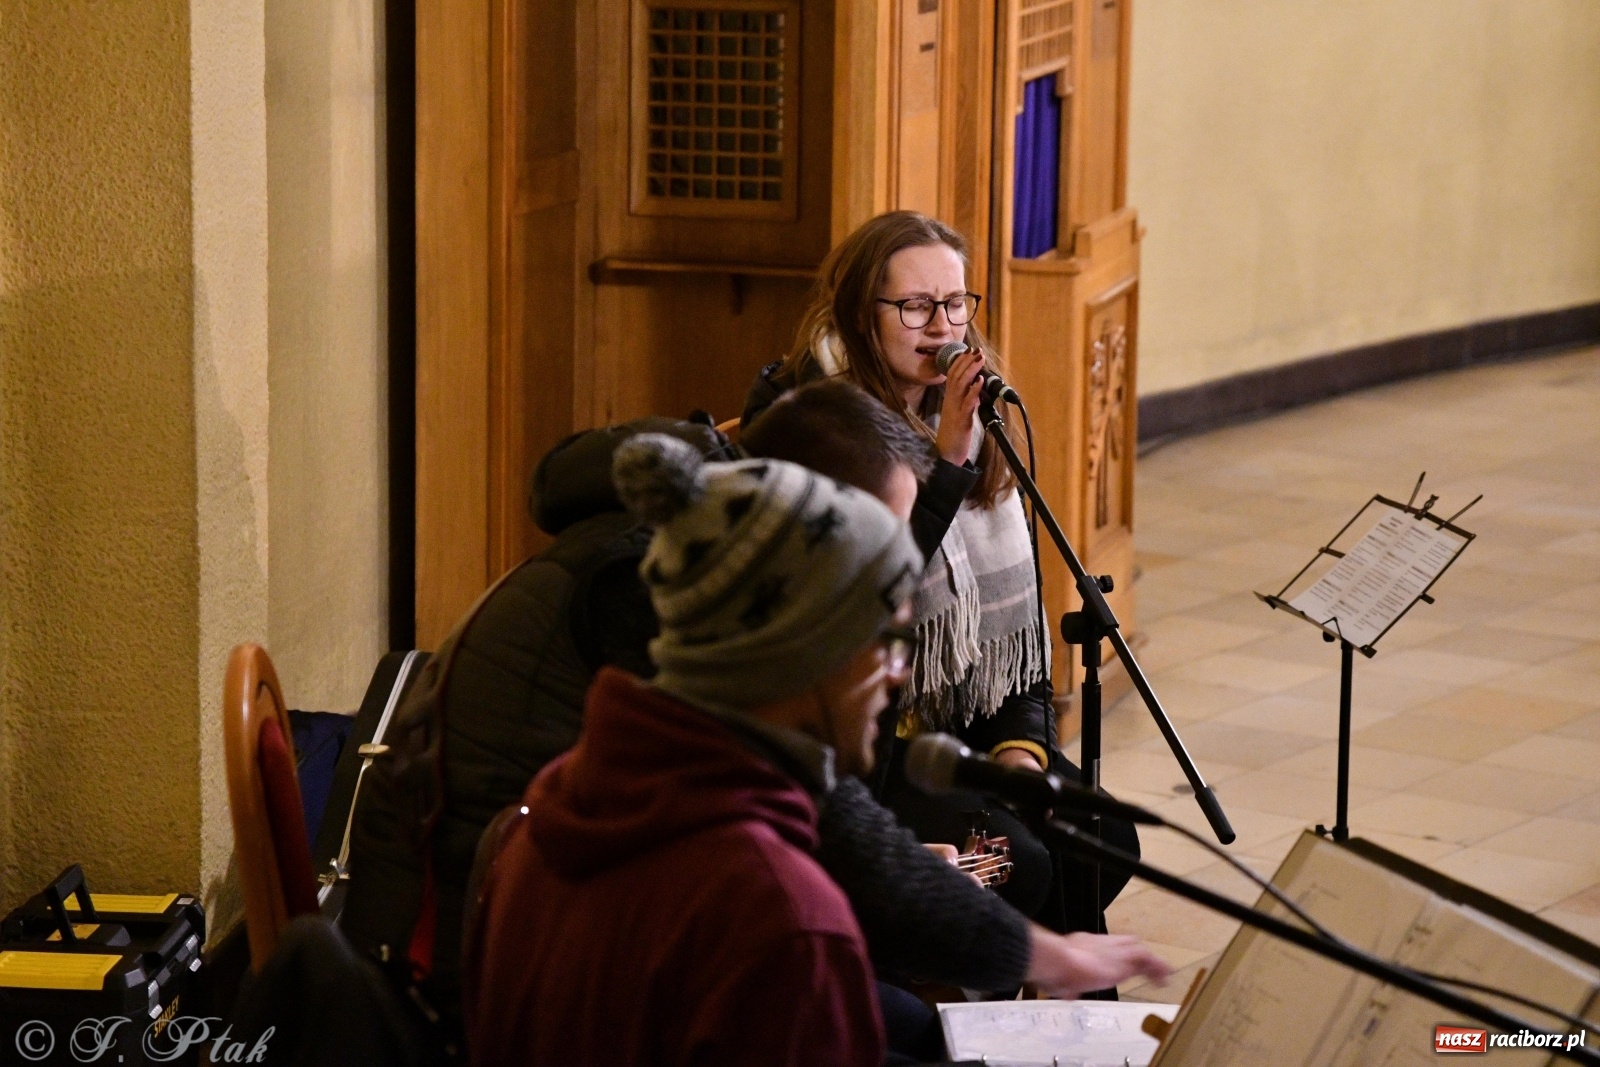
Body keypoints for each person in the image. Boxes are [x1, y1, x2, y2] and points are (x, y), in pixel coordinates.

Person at [463, 435, 1167, 1067]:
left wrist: (1044, 952)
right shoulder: (781, 918)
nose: (899, 674)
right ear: (804, 655)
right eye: (885, 642)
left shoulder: (549, 806)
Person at [742, 210, 1140, 937]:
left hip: (963, 727)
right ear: (863, 314)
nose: (942, 328)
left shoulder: (977, 411)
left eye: (955, 304)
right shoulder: (812, 421)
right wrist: (946, 464)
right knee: (1023, 858)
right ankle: (983, 1029)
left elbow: (1014, 637)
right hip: (869, 746)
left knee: (1103, 836)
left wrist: (1021, 750)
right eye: (916, 307)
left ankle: (1065, 1032)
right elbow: (864, 596)